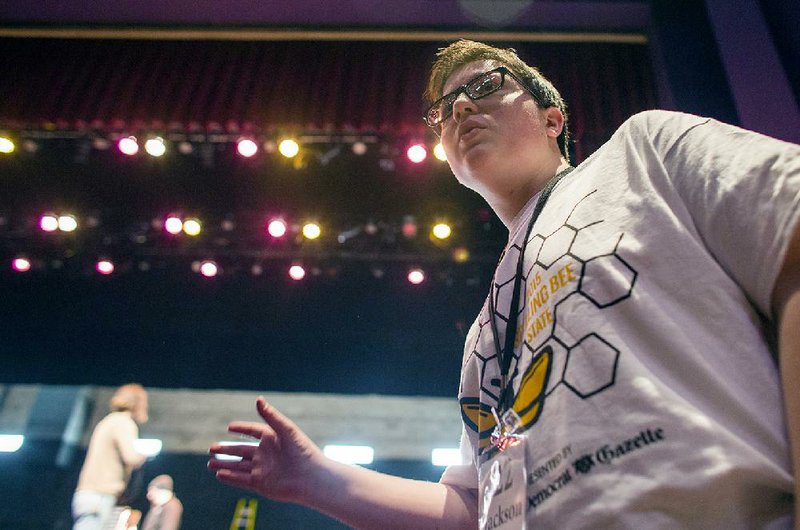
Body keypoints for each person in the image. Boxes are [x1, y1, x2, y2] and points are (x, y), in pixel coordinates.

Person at [209, 40, 799, 528]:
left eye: (485, 86)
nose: (461, 107)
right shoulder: (485, 332)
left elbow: (791, 235)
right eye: (445, 107)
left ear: (552, 118)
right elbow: (475, 505)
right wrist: (318, 480)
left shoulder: (644, 152)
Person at [72, 383, 149, 530]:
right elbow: (131, 456)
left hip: (88, 494)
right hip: (100, 496)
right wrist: (142, 456)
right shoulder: (124, 423)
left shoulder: (109, 420)